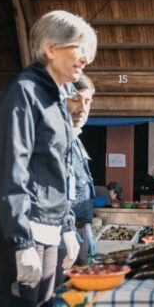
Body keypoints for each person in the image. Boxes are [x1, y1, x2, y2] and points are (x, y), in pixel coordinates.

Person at [0, 10, 95, 307]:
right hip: (15, 225)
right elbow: (10, 169)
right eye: (79, 49)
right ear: (50, 48)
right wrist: (22, 241)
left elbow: (61, 171)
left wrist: (67, 226)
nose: (86, 59)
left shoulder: (57, 99)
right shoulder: (23, 93)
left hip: (48, 225)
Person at [66, 73, 97, 264]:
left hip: (80, 226)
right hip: (63, 232)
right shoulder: (56, 140)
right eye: (76, 99)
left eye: (88, 101)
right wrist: (67, 231)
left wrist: (86, 229)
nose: (83, 108)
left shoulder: (76, 141)